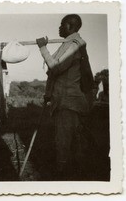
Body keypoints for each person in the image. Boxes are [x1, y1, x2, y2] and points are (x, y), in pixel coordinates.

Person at [36, 14, 94, 180]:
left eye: (62, 25)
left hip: (68, 101)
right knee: (72, 139)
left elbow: (55, 68)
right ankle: (76, 172)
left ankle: (62, 176)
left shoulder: (74, 45)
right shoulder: (68, 44)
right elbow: (55, 75)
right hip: (66, 100)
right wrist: (48, 93)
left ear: (70, 26)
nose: (59, 28)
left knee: (64, 141)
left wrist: (42, 48)